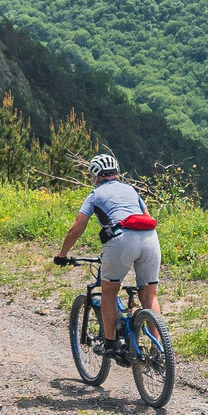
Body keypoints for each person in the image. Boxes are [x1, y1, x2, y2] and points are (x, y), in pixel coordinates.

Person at [53, 153, 161, 360]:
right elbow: (147, 217)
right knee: (149, 295)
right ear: (116, 173)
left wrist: (62, 254)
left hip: (121, 239)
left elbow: (77, 228)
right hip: (150, 238)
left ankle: (110, 345)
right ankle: (159, 350)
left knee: (109, 292)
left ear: (94, 175)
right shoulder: (131, 189)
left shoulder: (95, 194)